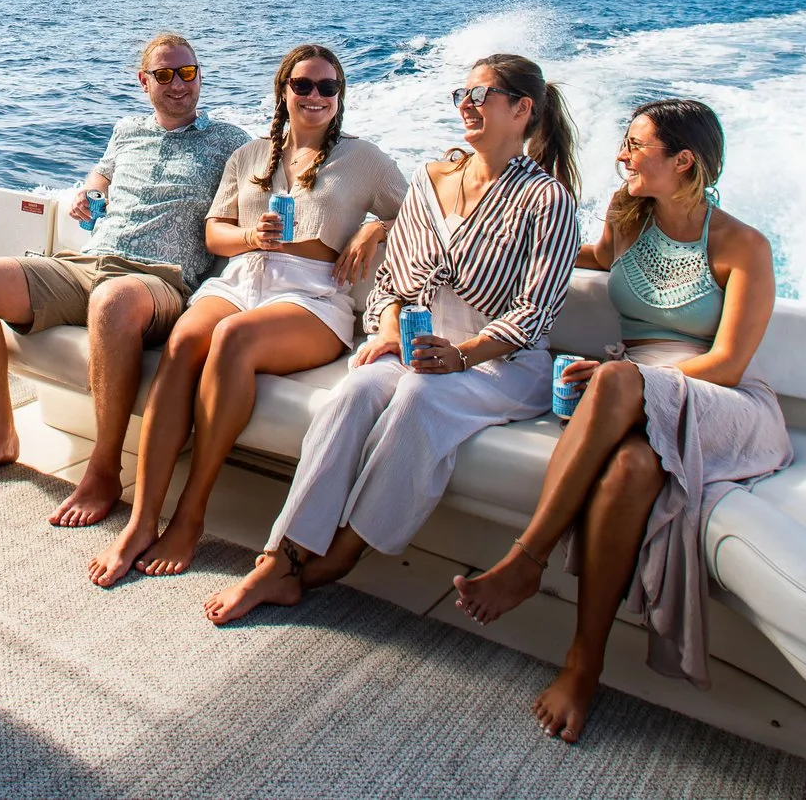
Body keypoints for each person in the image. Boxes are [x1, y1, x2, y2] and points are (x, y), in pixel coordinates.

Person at [451, 98, 789, 742]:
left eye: (636, 146)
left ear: (683, 160)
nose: (622, 156)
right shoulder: (626, 217)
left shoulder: (743, 245)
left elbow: (728, 361)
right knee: (628, 473)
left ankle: (527, 558)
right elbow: (589, 258)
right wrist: (492, 240)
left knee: (613, 377)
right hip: (632, 389)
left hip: (717, 402)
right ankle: (585, 662)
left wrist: (636, 382)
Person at [204, 52, 581, 626]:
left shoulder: (548, 200)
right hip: (418, 345)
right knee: (353, 394)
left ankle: (341, 553)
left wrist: (461, 355)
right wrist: (384, 331)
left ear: (522, 109)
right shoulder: (431, 182)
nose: (466, 105)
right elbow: (390, 283)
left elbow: (534, 313)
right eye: (463, 94)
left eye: (481, 96)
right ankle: (278, 556)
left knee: (418, 397)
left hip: (499, 363)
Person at [89, 43, 403, 585]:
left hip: (311, 298)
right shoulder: (249, 156)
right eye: (302, 85)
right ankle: (142, 518)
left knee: (232, 338)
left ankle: (190, 515)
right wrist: (248, 236)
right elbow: (215, 232)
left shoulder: (365, 161)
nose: (315, 96)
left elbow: (423, 215)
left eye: (328, 87)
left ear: (340, 96)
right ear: (284, 91)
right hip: (239, 279)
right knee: (185, 339)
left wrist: (374, 227)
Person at [0, 32, 250, 527]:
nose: (179, 85)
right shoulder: (127, 129)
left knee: (111, 301)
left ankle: (105, 468)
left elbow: (278, 182)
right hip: (90, 262)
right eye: (166, 75)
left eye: (188, 73)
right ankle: (0, 434)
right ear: (144, 82)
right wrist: (89, 189)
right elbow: (103, 171)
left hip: (161, 282)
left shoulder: (231, 142)